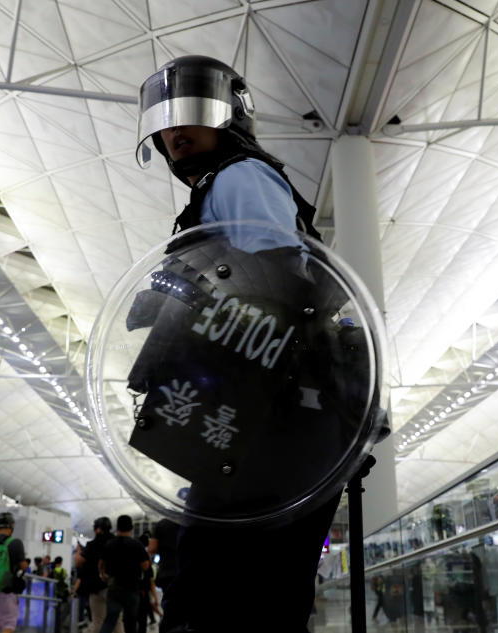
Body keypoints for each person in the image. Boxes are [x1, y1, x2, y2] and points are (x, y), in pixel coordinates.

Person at [134, 55, 343, 633]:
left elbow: (275, 279)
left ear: (232, 115)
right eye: (165, 117)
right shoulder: (218, 186)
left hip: (269, 419)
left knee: (211, 586)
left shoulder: (238, 177)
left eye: (194, 111)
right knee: (258, 589)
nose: (175, 128)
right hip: (275, 417)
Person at [99, 515, 150, 633]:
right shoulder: (137, 545)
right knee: (130, 622)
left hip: (114, 586)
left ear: (117, 527)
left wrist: (102, 574)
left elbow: (101, 563)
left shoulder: (109, 544)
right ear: (131, 527)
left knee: (110, 620)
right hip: (132, 587)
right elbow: (145, 565)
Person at [75, 517, 118, 633]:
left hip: (96, 588)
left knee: (98, 622)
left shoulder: (92, 544)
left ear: (98, 529)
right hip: (115, 587)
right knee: (117, 622)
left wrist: (78, 550)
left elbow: (78, 562)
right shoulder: (116, 542)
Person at [50, 556, 69, 632]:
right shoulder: (63, 570)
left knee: (53, 611)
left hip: (53, 592)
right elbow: (65, 578)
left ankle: (52, 627)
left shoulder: (52, 571)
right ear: (61, 562)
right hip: (61, 593)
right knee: (60, 611)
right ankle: (57, 628)